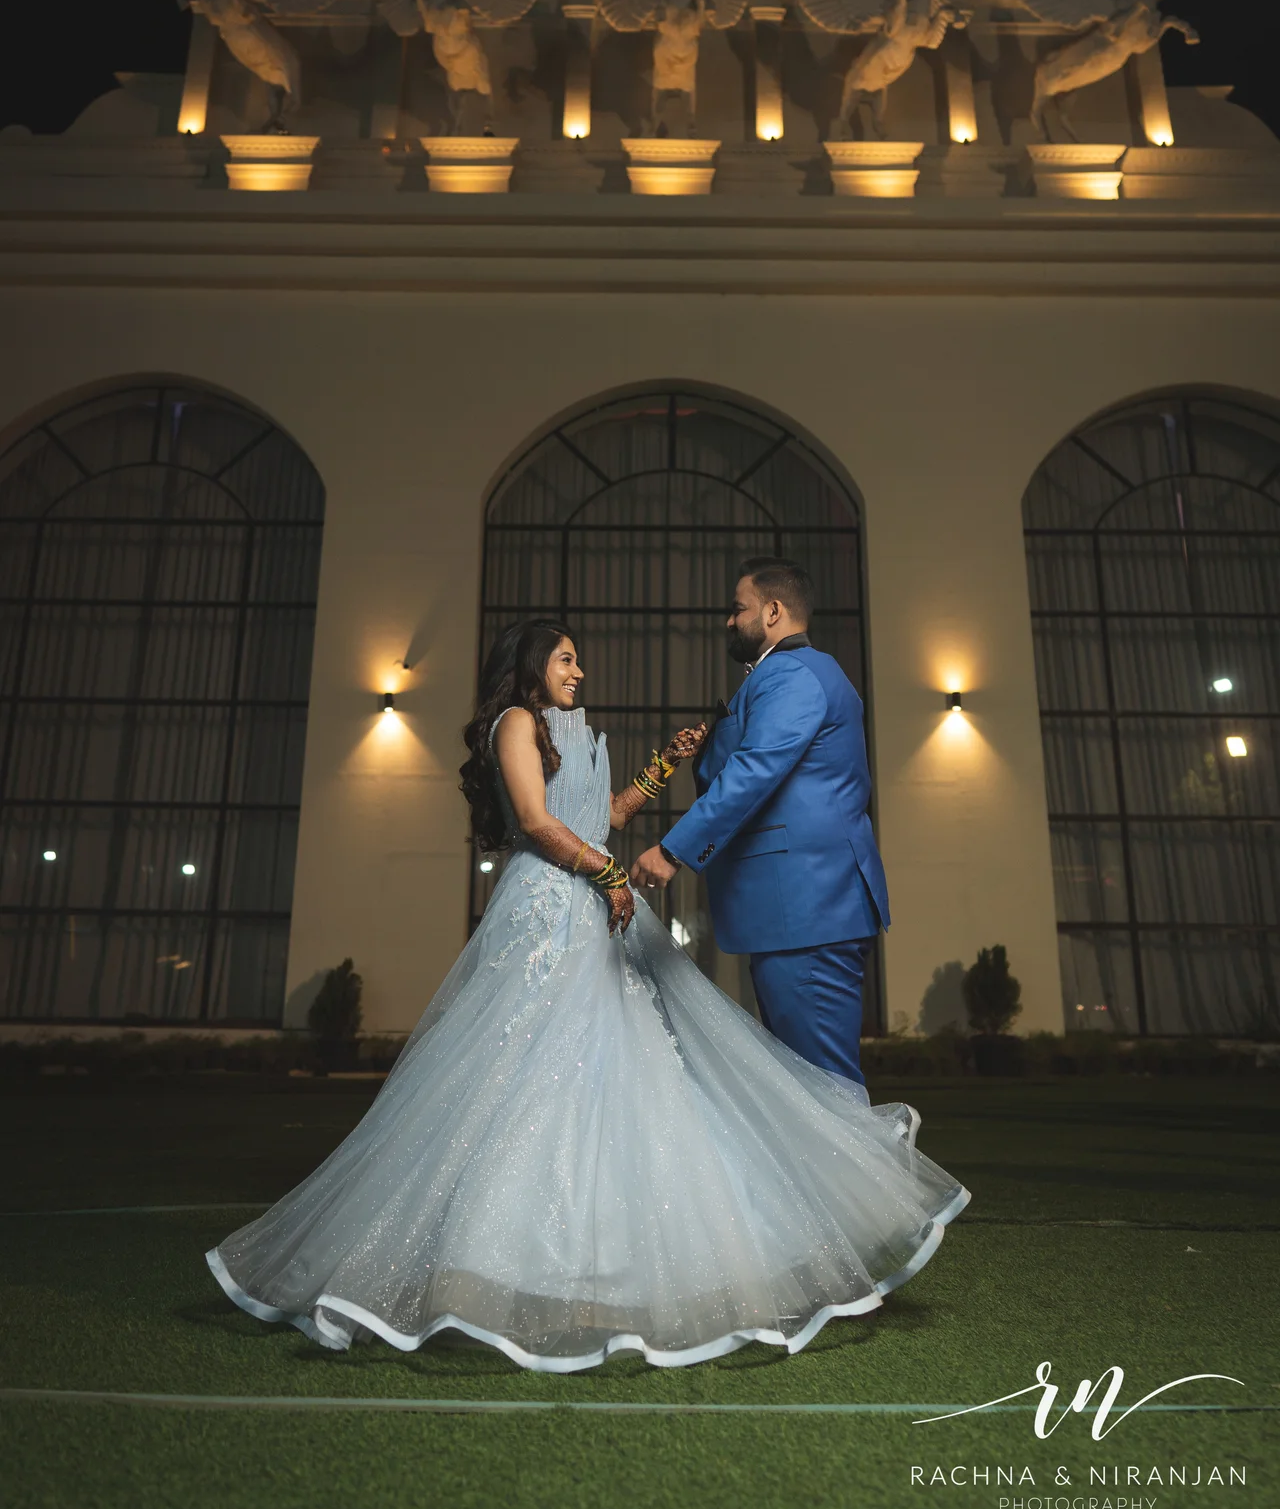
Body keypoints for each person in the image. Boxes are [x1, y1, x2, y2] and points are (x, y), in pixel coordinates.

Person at [207, 618, 967, 1371]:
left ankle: (607, 1263)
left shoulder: (575, 730)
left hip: (599, 909)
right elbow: (537, 823)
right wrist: (608, 876)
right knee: (520, 1069)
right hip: (549, 907)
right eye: (566, 660)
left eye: (579, 662)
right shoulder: (516, 722)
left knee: (621, 1068)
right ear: (533, 665)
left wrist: (663, 769)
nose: (578, 672)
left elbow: (598, 818)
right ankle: (490, 1261)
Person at [632, 558, 887, 1092]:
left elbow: (756, 771)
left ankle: (865, 1179)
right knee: (806, 1091)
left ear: (773, 611)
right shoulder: (790, 674)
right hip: (798, 910)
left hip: (809, 906)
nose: (729, 620)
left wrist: (673, 849)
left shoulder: (793, 673)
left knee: (826, 1089)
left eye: (738, 608)